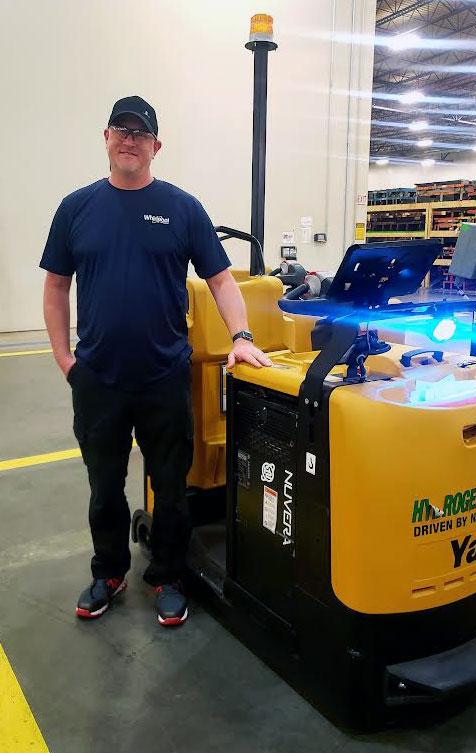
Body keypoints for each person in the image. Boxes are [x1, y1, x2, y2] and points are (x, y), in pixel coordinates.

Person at [40, 95, 271, 627]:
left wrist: (241, 335)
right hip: (97, 379)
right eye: (120, 129)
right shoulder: (76, 209)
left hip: (166, 377)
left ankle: (168, 575)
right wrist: (63, 358)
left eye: (140, 133)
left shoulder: (183, 207)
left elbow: (220, 280)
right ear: (105, 138)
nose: (129, 139)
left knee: (171, 488)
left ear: (155, 146)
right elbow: (56, 285)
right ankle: (109, 571)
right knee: (104, 488)